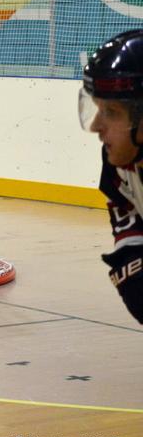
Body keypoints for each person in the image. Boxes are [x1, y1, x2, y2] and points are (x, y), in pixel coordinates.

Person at [79, 29, 143, 323]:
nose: (95, 126)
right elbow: (126, 209)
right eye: (97, 108)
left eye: (112, 112)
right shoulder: (118, 161)